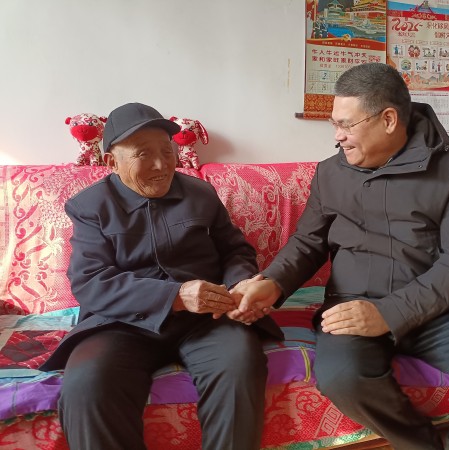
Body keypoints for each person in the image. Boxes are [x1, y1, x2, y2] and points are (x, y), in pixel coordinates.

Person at [230, 63, 449, 450]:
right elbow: (308, 242)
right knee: (342, 377)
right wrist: (273, 283)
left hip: (436, 309)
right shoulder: (330, 173)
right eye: (334, 125)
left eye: (346, 125)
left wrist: (388, 314)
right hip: (351, 305)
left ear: (388, 119)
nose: (337, 136)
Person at [40, 102, 282, 450]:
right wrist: (176, 297)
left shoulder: (201, 193)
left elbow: (235, 251)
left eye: (167, 152)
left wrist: (238, 285)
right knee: (88, 383)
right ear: (111, 162)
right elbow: (91, 281)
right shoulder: (90, 206)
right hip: (122, 323)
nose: (161, 164)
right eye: (143, 154)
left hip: (207, 319)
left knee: (239, 363)